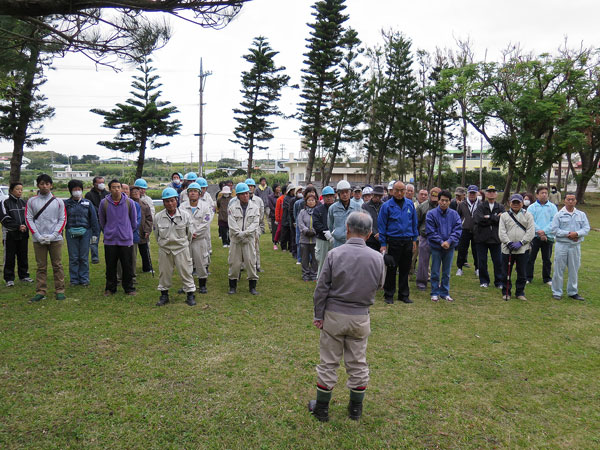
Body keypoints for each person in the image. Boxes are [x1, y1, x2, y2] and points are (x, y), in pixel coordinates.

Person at [308, 211, 386, 422]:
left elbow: (321, 288)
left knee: (328, 362)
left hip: (333, 316)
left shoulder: (334, 254)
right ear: (369, 233)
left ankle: (322, 409)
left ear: (348, 229)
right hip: (360, 318)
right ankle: (355, 410)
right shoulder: (378, 258)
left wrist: (318, 315)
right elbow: (380, 285)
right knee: (358, 363)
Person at [25, 174, 67, 302]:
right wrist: (37, 235)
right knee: (41, 267)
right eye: (42, 183)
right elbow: (28, 218)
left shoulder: (58, 202)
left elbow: (63, 219)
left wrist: (54, 235)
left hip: (55, 239)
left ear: (51, 185)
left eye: (47, 184)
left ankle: (60, 290)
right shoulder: (32, 201)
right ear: (38, 185)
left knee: (57, 265)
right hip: (38, 239)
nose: (45, 186)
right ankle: (41, 291)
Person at [154, 188, 196, 306]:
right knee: (164, 273)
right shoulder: (158, 217)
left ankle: (190, 295)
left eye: (172, 200)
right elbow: (156, 235)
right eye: (167, 201)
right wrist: (164, 244)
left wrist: (182, 243)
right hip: (165, 249)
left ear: (176, 200)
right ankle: (164, 295)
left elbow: (189, 234)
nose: (170, 204)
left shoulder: (185, 216)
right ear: (163, 203)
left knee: (186, 272)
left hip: (181, 248)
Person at [378, 181, 418, 304]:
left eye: (402, 190)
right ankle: (389, 295)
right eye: (397, 190)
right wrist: (383, 244)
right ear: (392, 191)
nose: (400, 193)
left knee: (405, 269)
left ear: (405, 191)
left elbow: (414, 223)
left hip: (407, 241)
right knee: (391, 269)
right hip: (393, 241)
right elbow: (381, 226)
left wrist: (414, 240)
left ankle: (403, 295)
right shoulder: (386, 206)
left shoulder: (410, 204)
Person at [99, 179, 137, 296]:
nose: (116, 189)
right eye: (114, 187)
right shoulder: (104, 203)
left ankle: (129, 288)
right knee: (110, 265)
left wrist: (127, 231)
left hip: (126, 239)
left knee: (127, 265)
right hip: (110, 240)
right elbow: (102, 220)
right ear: (109, 189)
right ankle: (110, 288)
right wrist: (108, 231)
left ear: (121, 188)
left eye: (118, 187)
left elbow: (133, 221)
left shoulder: (129, 202)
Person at [550, 193, 590, 300]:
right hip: (562, 245)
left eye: (573, 199)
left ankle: (573, 292)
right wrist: (568, 234)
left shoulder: (581, 215)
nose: (571, 201)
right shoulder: (559, 215)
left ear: (576, 201)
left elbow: (586, 228)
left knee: (574, 269)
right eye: (568, 199)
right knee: (559, 269)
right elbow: (554, 229)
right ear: (565, 201)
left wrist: (576, 234)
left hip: (575, 246)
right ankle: (557, 292)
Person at [426, 190, 462, 302]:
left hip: (449, 248)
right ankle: (434, 292)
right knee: (435, 271)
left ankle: (445, 292)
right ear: (438, 200)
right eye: (442, 200)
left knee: (446, 272)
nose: (444, 203)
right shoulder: (431, 214)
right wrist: (441, 242)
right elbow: (431, 232)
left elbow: (458, 229)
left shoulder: (454, 214)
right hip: (436, 247)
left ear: (450, 201)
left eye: (446, 201)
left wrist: (449, 241)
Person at [498, 194, 535, 301]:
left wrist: (522, 242)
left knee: (522, 272)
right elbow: (501, 232)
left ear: (522, 203)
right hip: (507, 249)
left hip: (522, 249)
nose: (515, 204)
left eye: (518, 202)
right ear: (510, 203)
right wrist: (508, 243)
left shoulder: (528, 215)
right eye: (513, 202)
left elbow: (531, 231)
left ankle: (520, 292)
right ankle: (506, 292)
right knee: (506, 272)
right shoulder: (504, 216)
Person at [64, 180, 100, 287]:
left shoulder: (88, 203)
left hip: (86, 233)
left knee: (84, 257)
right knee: (73, 257)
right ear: (70, 191)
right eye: (75, 189)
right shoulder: (66, 204)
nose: (77, 191)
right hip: (71, 233)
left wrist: (95, 235)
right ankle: (74, 280)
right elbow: (62, 219)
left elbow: (94, 220)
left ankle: (84, 279)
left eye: (79, 189)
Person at [227, 182, 261, 295]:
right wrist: (239, 234)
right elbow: (232, 225)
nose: (245, 196)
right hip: (236, 241)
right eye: (242, 194)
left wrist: (245, 233)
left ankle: (252, 287)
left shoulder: (255, 208)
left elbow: (255, 224)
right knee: (234, 263)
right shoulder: (232, 208)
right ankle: (232, 286)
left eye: (247, 193)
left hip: (248, 240)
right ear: (238, 195)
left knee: (251, 262)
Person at [180, 182, 212, 295]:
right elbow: (180, 222)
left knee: (201, 262)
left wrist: (195, 233)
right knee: (185, 263)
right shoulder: (182, 206)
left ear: (199, 193)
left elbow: (206, 222)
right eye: (190, 191)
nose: (193, 193)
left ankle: (202, 285)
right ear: (187, 193)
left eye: (195, 191)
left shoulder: (205, 206)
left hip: (199, 239)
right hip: (186, 240)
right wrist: (188, 234)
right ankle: (186, 285)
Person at [0, 182, 33, 286]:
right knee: (9, 256)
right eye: (17, 189)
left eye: (21, 189)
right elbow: (4, 218)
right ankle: (9, 278)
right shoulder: (5, 202)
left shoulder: (23, 203)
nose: (20, 191)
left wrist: (24, 226)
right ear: (11, 190)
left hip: (23, 233)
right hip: (10, 234)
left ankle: (24, 276)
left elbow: (28, 217)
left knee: (23, 255)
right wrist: (17, 226)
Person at [473, 185, 505, 289]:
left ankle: (499, 281)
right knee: (482, 261)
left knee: (498, 261)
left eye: (493, 191)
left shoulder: (500, 207)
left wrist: (488, 218)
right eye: (489, 191)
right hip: (481, 238)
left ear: (496, 194)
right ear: (486, 194)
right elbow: (479, 220)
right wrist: (495, 217)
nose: (491, 193)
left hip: (496, 238)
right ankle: (484, 281)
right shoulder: (481, 206)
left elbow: (503, 220)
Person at [525, 186, 558, 286]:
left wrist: (544, 232)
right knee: (531, 258)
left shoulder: (552, 207)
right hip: (534, 236)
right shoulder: (532, 207)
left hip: (547, 237)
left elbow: (554, 221)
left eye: (546, 193)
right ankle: (528, 277)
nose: (544, 195)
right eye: (542, 193)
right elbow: (530, 221)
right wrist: (539, 231)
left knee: (547, 259)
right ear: (537, 195)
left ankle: (547, 278)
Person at [415, 188, 440, 291]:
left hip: (438, 238)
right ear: (429, 195)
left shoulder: (442, 206)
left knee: (437, 262)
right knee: (423, 262)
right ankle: (421, 283)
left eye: (436, 196)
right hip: (425, 237)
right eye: (432, 196)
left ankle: (436, 282)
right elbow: (417, 222)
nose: (434, 199)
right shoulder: (422, 206)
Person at [456, 185, 480, 276]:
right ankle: (459, 268)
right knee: (462, 249)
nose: (472, 195)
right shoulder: (462, 204)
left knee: (476, 250)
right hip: (464, 229)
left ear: (477, 193)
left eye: (474, 193)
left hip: (476, 230)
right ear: (467, 194)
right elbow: (458, 217)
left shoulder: (481, 204)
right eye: (470, 193)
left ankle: (477, 268)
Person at [328, 180, 360, 248]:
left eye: (346, 192)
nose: (345, 194)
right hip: (338, 242)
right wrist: (335, 233)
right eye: (342, 192)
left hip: (353, 242)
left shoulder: (357, 207)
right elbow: (330, 225)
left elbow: (360, 223)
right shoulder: (333, 208)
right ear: (338, 194)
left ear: (350, 193)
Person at [85, 176, 109, 264]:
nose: (101, 184)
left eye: (103, 182)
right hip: (95, 220)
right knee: (94, 239)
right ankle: (94, 257)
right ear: (94, 184)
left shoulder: (107, 194)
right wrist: (99, 211)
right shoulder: (89, 195)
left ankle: (110, 255)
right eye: (99, 183)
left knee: (109, 238)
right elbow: (89, 206)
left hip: (106, 220)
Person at [133, 178, 155, 272]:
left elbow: (151, 215)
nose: (142, 190)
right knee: (132, 251)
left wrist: (147, 228)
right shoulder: (130, 200)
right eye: (140, 188)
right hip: (133, 229)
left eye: (143, 188)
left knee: (145, 249)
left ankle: (147, 267)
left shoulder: (147, 200)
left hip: (144, 227)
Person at [313, 186, 335, 276]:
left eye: (331, 196)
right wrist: (325, 232)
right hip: (322, 240)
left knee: (335, 263)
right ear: (323, 197)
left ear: (334, 196)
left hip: (335, 239)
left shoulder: (337, 208)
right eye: (326, 196)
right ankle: (320, 284)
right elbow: (316, 223)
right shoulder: (318, 209)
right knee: (322, 263)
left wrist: (333, 233)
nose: (329, 198)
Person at [298, 191, 319, 281]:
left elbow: (318, 223)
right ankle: (305, 274)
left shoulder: (318, 211)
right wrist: (306, 231)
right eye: (309, 200)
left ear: (315, 201)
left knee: (315, 258)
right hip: (304, 239)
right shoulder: (302, 212)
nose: (311, 202)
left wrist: (314, 231)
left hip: (315, 239)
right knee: (305, 258)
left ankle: (314, 274)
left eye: (312, 200)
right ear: (306, 202)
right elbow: (300, 223)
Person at [246, 178, 265, 272]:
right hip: (244, 227)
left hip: (255, 227)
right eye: (248, 186)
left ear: (254, 188)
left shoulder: (258, 200)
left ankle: (257, 265)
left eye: (251, 186)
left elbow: (261, 213)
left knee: (255, 247)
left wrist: (256, 225)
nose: (250, 188)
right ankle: (242, 265)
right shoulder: (238, 200)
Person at [361, 185, 384, 252]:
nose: (377, 197)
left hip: (382, 238)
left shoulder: (384, 205)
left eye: (380, 196)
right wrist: (375, 233)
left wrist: (381, 233)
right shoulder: (365, 206)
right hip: (369, 238)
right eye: (376, 195)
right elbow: (365, 222)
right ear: (372, 194)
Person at [280, 184, 296, 253]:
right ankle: (283, 247)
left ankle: (290, 247)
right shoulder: (286, 198)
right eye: (292, 190)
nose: (293, 191)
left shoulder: (295, 198)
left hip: (291, 219)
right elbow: (288, 207)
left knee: (291, 234)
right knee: (284, 234)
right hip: (286, 218)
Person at [268, 183, 281, 249]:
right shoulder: (270, 196)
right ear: (274, 188)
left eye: (279, 187)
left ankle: (280, 240)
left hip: (281, 215)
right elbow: (271, 206)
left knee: (280, 229)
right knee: (274, 229)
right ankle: (274, 241)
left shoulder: (281, 195)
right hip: (273, 215)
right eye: (277, 187)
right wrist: (277, 211)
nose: (279, 189)